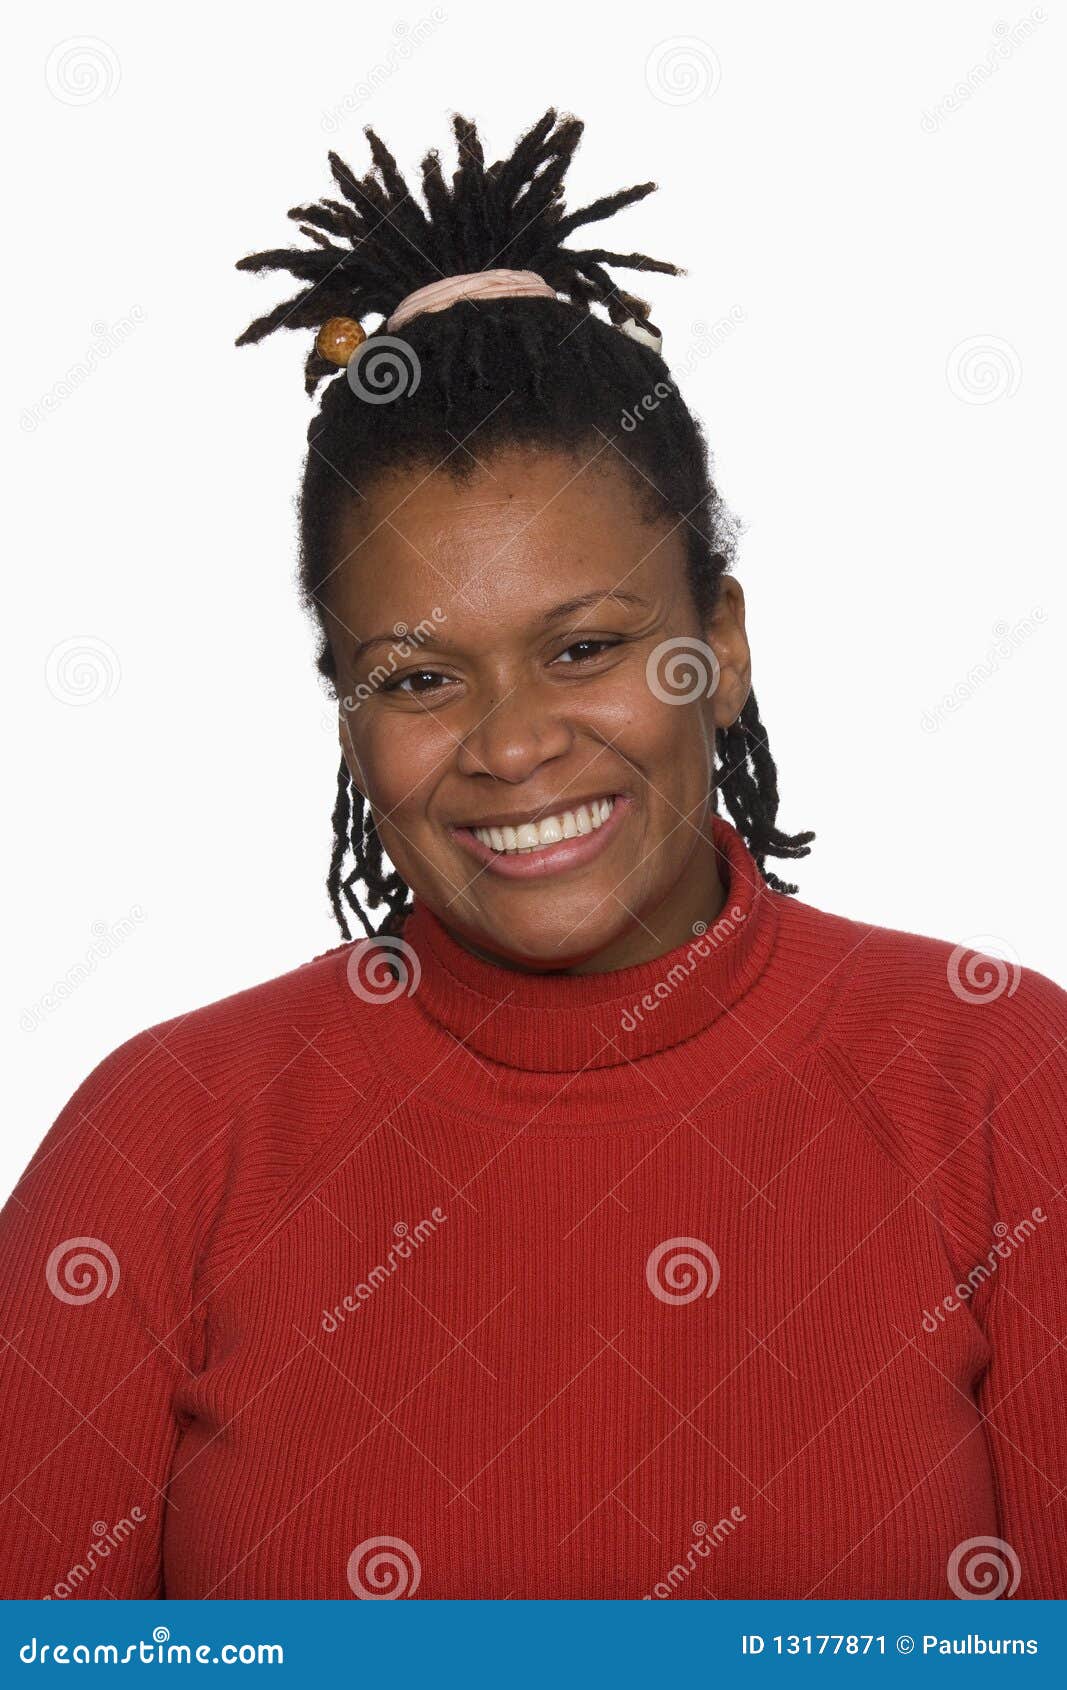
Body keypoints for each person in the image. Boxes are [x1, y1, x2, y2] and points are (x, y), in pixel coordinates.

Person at [1, 109, 1064, 1602]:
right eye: (420, 677)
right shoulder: (157, 1146)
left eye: (584, 645)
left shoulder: (1006, 1082)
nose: (510, 744)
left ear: (724, 645)